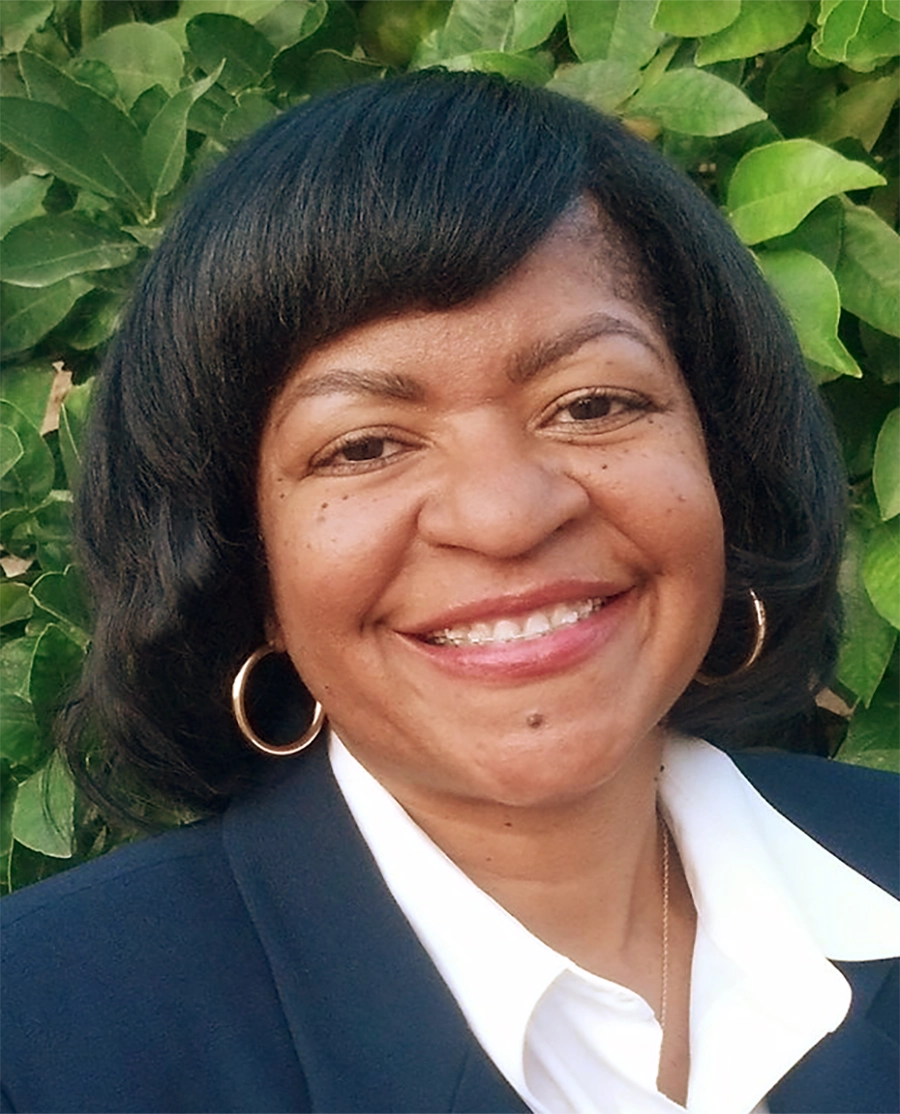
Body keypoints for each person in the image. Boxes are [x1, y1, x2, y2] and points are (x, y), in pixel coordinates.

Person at [1, 71, 899, 1114]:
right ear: (245, 565)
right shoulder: (44, 1044)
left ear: (722, 461)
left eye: (593, 402)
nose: (507, 514)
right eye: (366, 445)